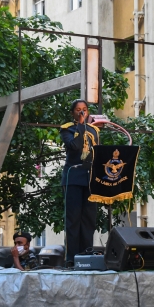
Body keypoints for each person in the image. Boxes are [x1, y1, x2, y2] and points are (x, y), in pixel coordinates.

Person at [60, 99, 100, 266]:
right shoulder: (67, 129)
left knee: (89, 219)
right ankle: (72, 258)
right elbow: (75, 146)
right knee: (73, 219)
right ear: (73, 113)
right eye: (78, 110)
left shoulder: (94, 130)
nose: (82, 112)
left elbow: (97, 152)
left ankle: (86, 255)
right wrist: (82, 126)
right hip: (73, 178)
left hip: (90, 179)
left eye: (84, 109)